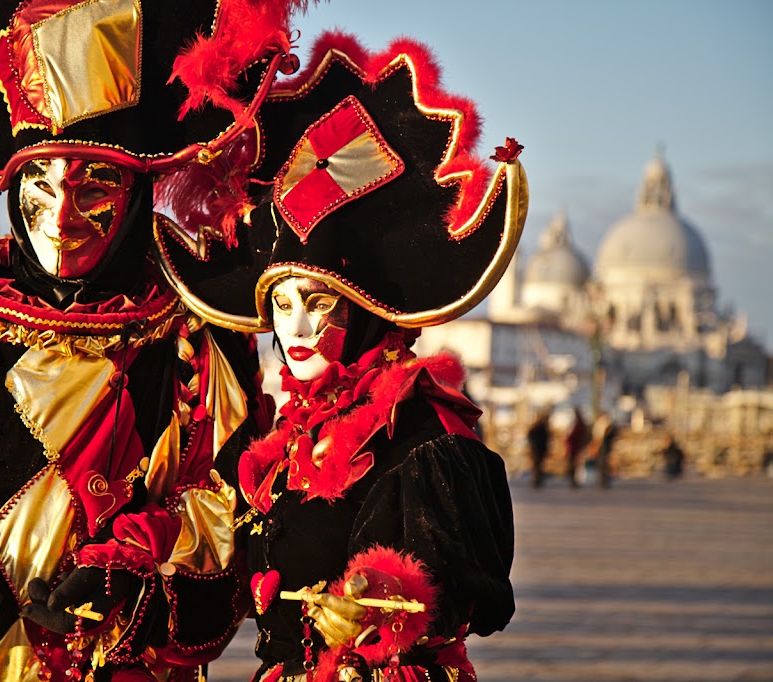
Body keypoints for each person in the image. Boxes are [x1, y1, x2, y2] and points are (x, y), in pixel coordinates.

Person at [0, 2, 295, 680]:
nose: (62, 216)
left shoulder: (191, 339)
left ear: (136, 193)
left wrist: (131, 569)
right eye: (40, 183)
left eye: (94, 185)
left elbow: (229, 502)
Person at [153, 33, 528, 682]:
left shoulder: (422, 435)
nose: (294, 327)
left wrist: (381, 605)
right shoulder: (289, 441)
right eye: (281, 304)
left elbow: (461, 585)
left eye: (318, 303)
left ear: (364, 311)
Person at [565, 408, 590, 488]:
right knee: (576, 465)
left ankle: (576, 481)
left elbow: (575, 436)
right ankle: (575, 481)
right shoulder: (580, 424)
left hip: (575, 448)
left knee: (576, 465)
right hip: (575, 448)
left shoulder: (578, 425)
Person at [592, 413, 619, 489]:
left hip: (603, 449)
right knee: (603, 465)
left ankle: (604, 481)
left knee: (603, 465)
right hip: (604, 448)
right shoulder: (608, 426)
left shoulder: (605, 426)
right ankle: (604, 481)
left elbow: (600, 438)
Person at [527, 410, 552, 489]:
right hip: (539, 449)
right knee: (538, 465)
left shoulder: (538, 427)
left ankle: (537, 480)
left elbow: (530, 435)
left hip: (537, 449)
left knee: (537, 465)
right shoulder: (543, 427)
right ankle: (538, 480)